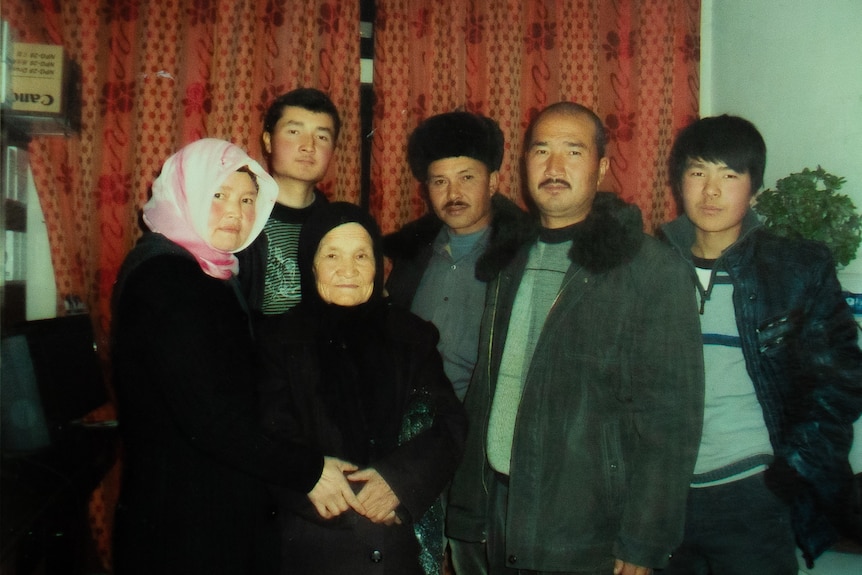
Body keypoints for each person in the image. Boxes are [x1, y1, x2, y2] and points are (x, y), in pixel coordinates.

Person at [445, 102, 705, 575]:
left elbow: (671, 425)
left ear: (602, 167)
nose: (555, 166)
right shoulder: (507, 258)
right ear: (524, 165)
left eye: (573, 151)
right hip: (498, 510)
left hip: (587, 528)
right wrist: (468, 510)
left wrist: (643, 540)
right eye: (541, 150)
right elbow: (487, 389)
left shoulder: (650, 270)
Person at [110, 139, 356, 575]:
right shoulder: (169, 279)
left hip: (195, 506)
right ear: (186, 195)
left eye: (247, 200)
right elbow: (211, 419)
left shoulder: (205, 269)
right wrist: (309, 470)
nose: (235, 213)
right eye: (218, 195)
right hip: (185, 526)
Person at [658, 114, 862, 574]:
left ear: (754, 188)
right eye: (698, 172)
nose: (711, 191)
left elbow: (842, 380)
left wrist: (794, 467)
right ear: (679, 181)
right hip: (662, 498)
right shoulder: (648, 269)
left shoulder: (794, 270)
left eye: (729, 175)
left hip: (752, 492)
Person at [257, 201, 468, 575]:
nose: (348, 271)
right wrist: (341, 494)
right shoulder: (277, 341)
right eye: (332, 255)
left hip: (395, 545)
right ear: (311, 264)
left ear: (377, 265)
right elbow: (266, 433)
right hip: (310, 545)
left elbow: (448, 424)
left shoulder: (411, 336)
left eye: (361, 255)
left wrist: (399, 482)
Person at [384, 110, 532, 402]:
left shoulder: (520, 259)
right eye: (440, 181)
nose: (453, 193)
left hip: (476, 428)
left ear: (492, 182)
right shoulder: (413, 255)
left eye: (466, 177)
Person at [239, 87, 340, 315]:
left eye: (322, 136)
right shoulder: (238, 216)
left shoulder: (339, 226)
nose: (308, 146)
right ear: (268, 141)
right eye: (294, 132)